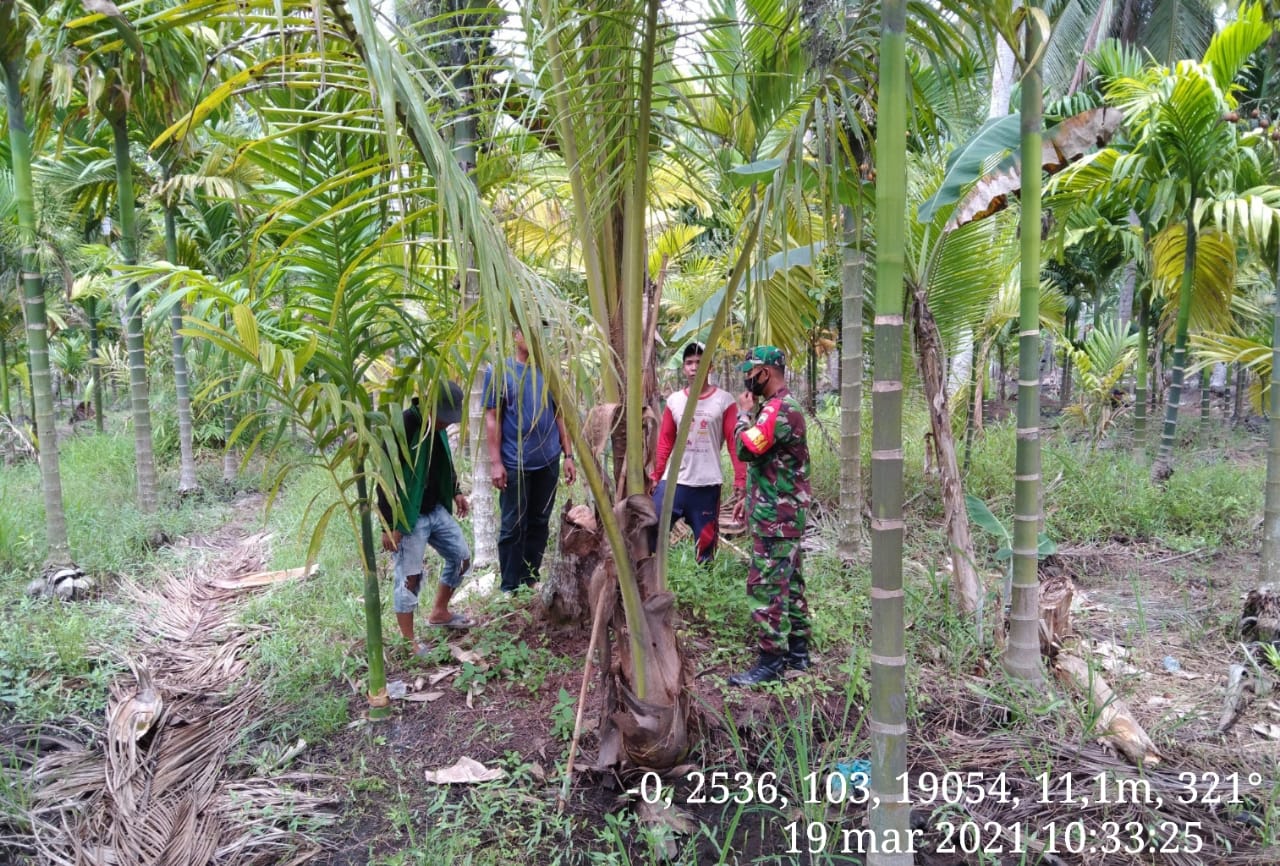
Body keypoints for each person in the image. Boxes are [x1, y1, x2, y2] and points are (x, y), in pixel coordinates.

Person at [728, 346, 813, 687]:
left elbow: (747, 448)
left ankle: (771, 662)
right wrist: (748, 498)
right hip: (777, 509)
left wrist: (742, 415)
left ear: (765, 372)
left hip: (778, 516)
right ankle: (797, 654)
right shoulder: (778, 408)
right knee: (790, 585)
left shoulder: (778, 411)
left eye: (751, 371)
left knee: (766, 586)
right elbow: (768, 464)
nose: (748, 378)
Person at [377, 381, 475, 656]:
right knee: (410, 579)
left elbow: (444, 462)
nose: (447, 424)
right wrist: (389, 524)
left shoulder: (438, 428)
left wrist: (455, 491)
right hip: (409, 516)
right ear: (430, 407)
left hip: (435, 509)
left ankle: (440, 612)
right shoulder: (404, 425)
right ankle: (409, 643)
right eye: (445, 417)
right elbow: (384, 476)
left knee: (461, 558)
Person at [483, 326, 576, 593]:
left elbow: (560, 414)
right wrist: (496, 462)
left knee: (539, 521)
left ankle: (530, 577)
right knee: (513, 524)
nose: (536, 338)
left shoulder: (550, 372)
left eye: (539, 332)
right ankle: (509, 585)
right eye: (527, 331)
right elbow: (493, 417)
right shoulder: (500, 371)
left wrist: (568, 455)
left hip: (547, 460)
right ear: (515, 335)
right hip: (514, 462)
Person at [649, 341, 745, 563]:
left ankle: (704, 590)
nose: (694, 367)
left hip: (706, 484)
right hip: (674, 482)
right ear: (683, 368)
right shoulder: (674, 401)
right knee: (652, 530)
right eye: (689, 363)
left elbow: (733, 443)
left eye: (699, 363)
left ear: (710, 367)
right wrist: (656, 475)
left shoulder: (724, 401)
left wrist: (741, 480)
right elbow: (665, 442)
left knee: (705, 546)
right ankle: (654, 583)